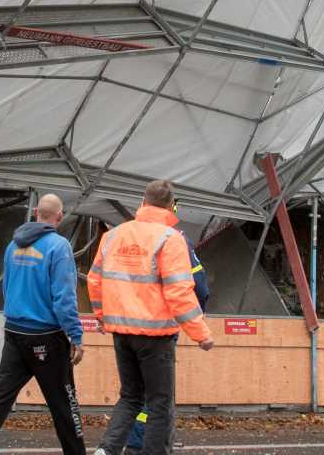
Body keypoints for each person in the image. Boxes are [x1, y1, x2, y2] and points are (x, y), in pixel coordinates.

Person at [86, 179, 214, 455]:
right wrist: (200, 333)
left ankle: (106, 451)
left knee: (130, 398)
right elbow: (180, 292)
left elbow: (95, 280)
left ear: (142, 202)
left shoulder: (113, 236)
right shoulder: (171, 239)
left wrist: (102, 316)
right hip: (156, 336)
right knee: (159, 404)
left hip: (121, 332)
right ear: (171, 206)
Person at [0, 193, 88, 455]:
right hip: (46, 335)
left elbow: (8, 288)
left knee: (0, 398)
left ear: (35, 214)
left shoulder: (13, 246)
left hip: (15, 332)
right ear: (59, 217)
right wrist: (75, 336)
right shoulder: (59, 247)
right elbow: (64, 298)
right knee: (64, 403)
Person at [125, 236, 208, 453]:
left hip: (126, 326)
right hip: (161, 328)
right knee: (159, 392)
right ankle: (149, 444)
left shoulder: (124, 237)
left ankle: (133, 442)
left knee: (134, 392)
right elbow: (199, 285)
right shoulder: (176, 240)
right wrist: (195, 319)